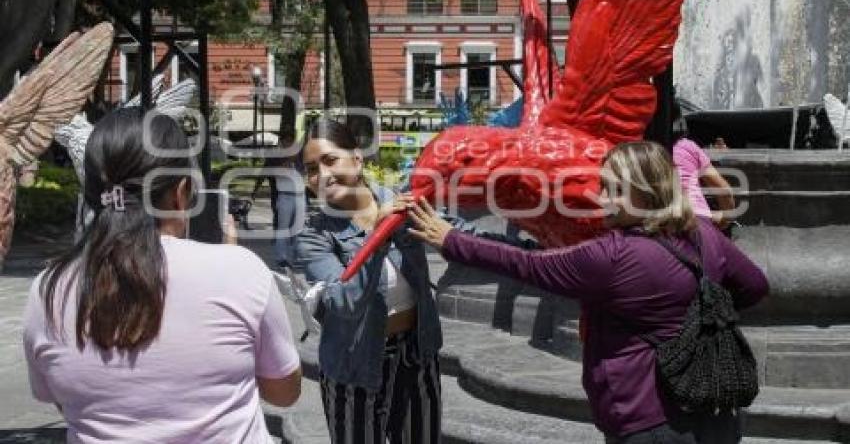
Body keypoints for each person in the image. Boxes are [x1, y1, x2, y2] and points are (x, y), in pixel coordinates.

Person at [405, 141, 769, 444]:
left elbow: (527, 265)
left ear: (647, 193)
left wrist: (452, 240)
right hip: (716, 409)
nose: (601, 197)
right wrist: (692, 313)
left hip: (647, 418)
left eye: (615, 189)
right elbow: (755, 286)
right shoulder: (706, 235)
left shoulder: (613, 256)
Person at [23, 107, 301, 443]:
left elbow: (61, 398)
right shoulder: (240, 271)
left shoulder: (49, 289)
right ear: (180, 192)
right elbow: (284, 391)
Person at [291, 118, 442, 444]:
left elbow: (452, 234)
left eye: (331, 160)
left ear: (357, 159)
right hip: (354, 368)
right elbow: (343, 302)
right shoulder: (312, 236)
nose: (323, 175)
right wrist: (378, 232)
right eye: (312, 169)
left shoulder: (404, 202)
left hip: (417, 355)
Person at [671, 102, 735, 228]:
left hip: (660, 224)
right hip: (697, 223)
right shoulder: (687, 146)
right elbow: (725, 192)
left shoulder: (642, 151)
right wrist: (724, 221)